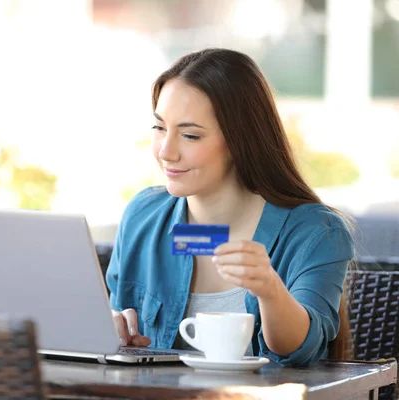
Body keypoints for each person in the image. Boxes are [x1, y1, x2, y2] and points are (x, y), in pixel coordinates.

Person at [106, 48, 354, 367]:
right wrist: (113, 327)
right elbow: (117, 332)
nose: (166, 152)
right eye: (159, 128)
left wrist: (270, 290)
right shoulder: (143, 215)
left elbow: (299, 351)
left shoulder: (316, 233)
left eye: (191, 135)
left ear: (240, 140)